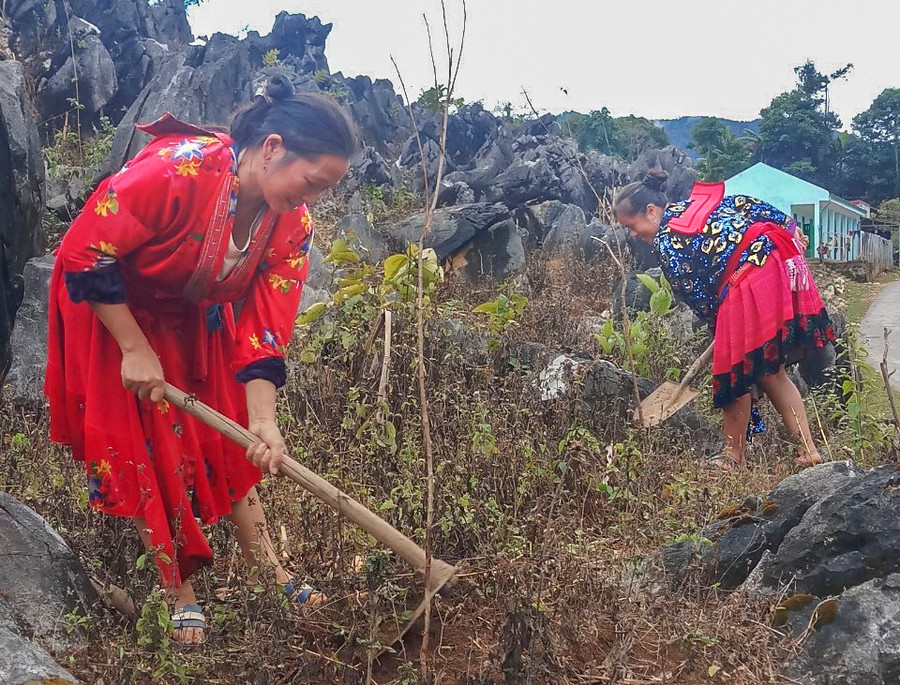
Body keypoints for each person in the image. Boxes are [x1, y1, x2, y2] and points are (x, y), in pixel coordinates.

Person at [45, 77, 359, 644]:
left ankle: (272, 572)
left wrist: (263, 420)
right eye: (312, 182)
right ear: (272, 148)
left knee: (230, 438)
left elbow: (265, 327)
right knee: (138, 439)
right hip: (114, 305)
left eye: (325, 191)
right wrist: (135, 348)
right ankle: (175, 587)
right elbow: (84, 249)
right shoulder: (178, 169)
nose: (312, 200)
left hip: (194, 316)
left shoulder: (294, 224)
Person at [615, 170, 835, 470]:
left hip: (749, 278)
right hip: (779, 260)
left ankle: (733, 457)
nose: (632, 233)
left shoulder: (666, 243)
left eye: (632, 225)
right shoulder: (696, 204)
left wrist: (725, 334)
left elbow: (699, 297)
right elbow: (746, 204)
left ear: (651, 212)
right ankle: (807, 450)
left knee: (734, 372)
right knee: (771, 371)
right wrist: (790, 225)